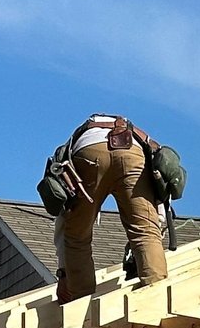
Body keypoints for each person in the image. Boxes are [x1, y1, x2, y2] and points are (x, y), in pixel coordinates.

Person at [53, 113, 168, 302]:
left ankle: (79, 303)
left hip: (88, 152)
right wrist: (141, 246)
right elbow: (158, 213)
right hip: (133, 154)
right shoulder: (149, 146)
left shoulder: (73, 144)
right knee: (146, 233)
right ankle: (157, 299)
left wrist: (64, 273)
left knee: (77, 237)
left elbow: (64, 221)